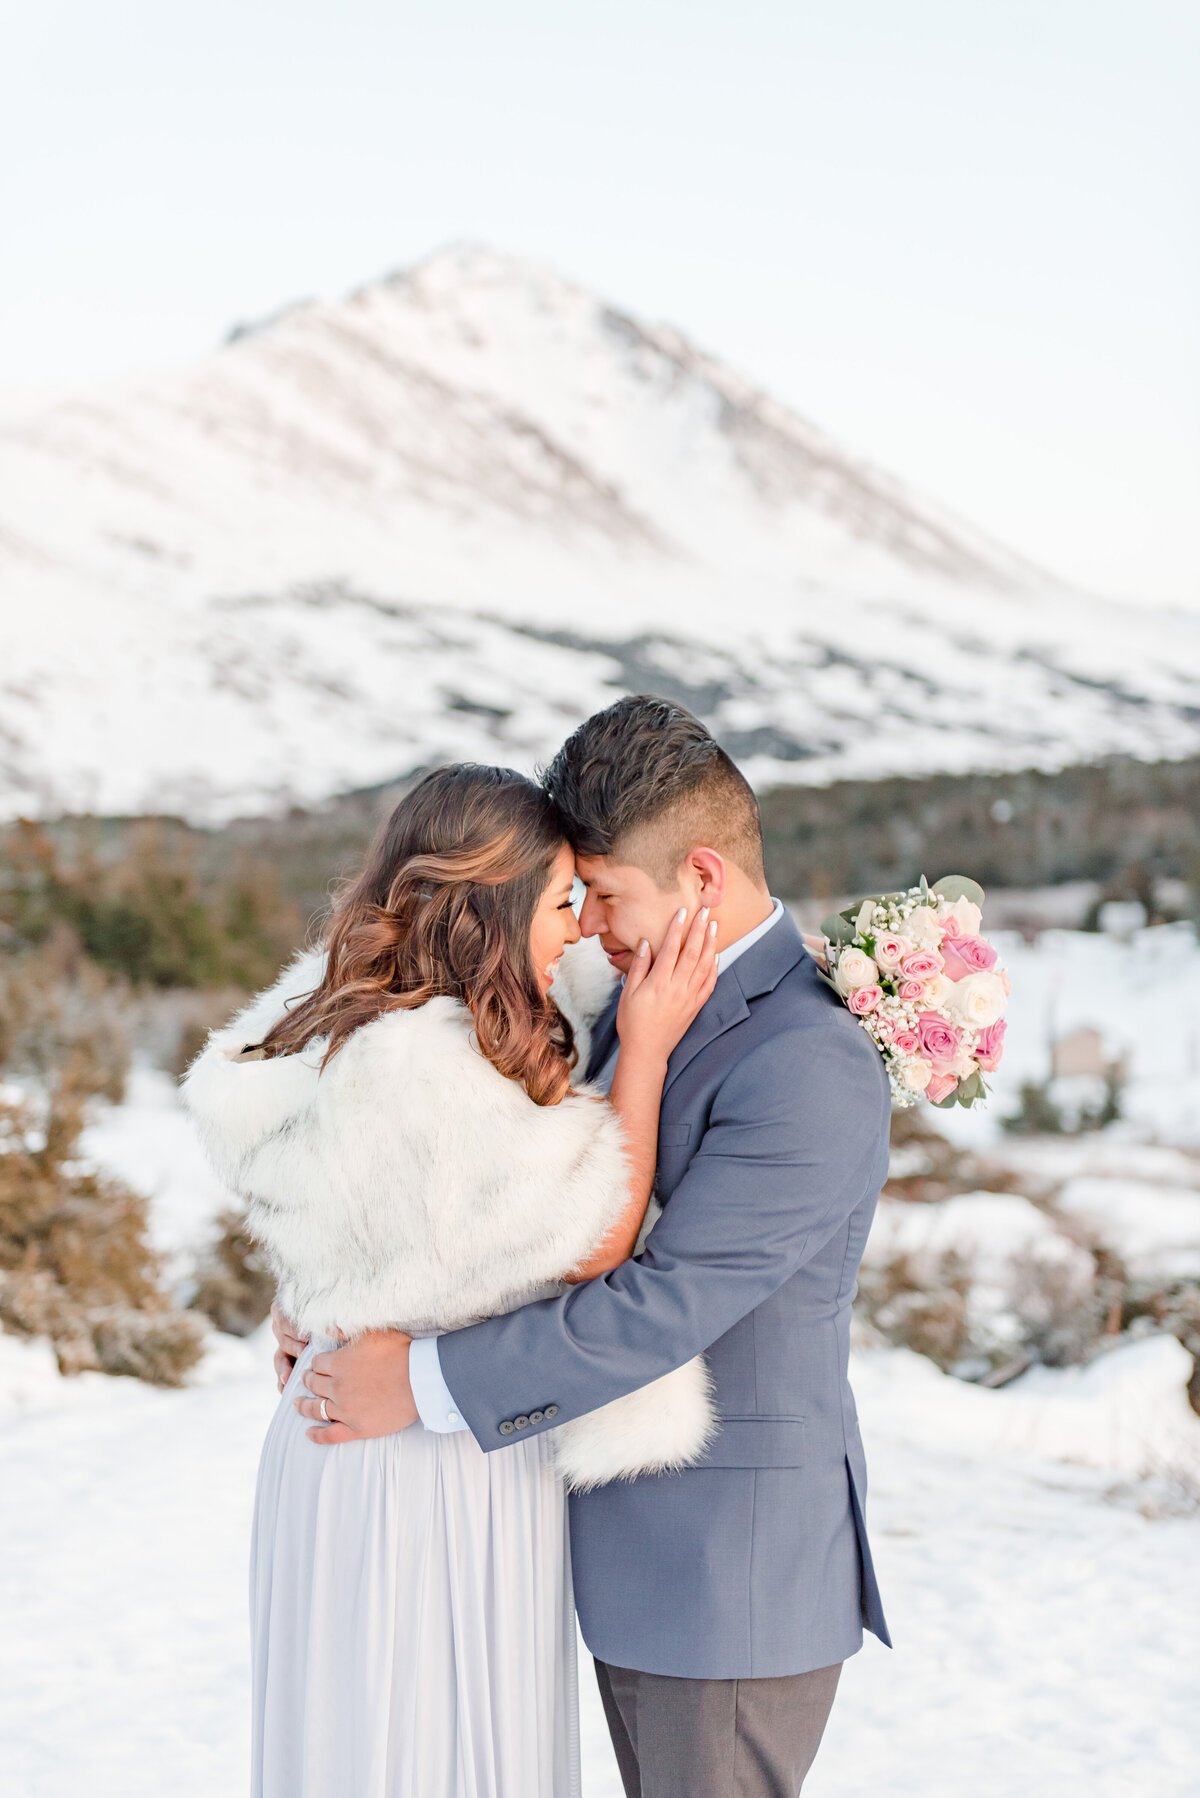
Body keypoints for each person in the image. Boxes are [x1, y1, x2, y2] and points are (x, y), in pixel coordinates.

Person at [281, 696, 894, 1798]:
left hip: (727, 1583)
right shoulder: (636, 992)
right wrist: (330, 1297)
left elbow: (658, 1306)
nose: (590, 928)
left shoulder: (807, 1059)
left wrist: (415, 1381)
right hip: (616, 1557)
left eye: (602, 895)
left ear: (702, 878)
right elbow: (463, 1177)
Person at [184, 761, 720, 1798]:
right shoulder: (425, 1062)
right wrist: (645, 1049)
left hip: (382, 1429)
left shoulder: (360, 1015)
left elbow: (371, 1222)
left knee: (380, 1739)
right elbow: (598, 1234)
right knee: (421, 1743)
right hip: (419, 1462)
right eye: (562, 902)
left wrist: (314, 1286)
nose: (575, 930)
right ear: (493, 904)